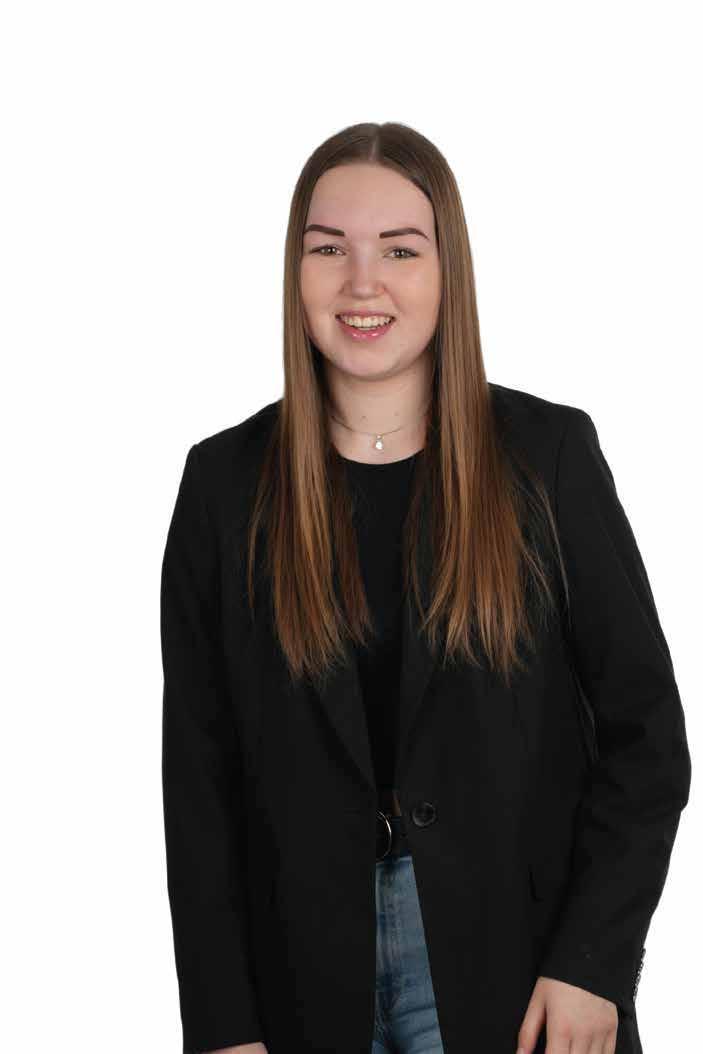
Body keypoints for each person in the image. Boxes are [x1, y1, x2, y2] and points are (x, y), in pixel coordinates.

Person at [160, 122, 691, 1054]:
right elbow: (197, 784)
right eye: (329, 250)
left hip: (522, 973)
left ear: (449, 272)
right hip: (298, 981)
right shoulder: (223, 485)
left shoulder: (548, 458)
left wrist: (592, 964)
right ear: (295, 271)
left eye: (399, 250)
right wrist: (221, 1027)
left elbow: (645, 738)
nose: (362, 283)